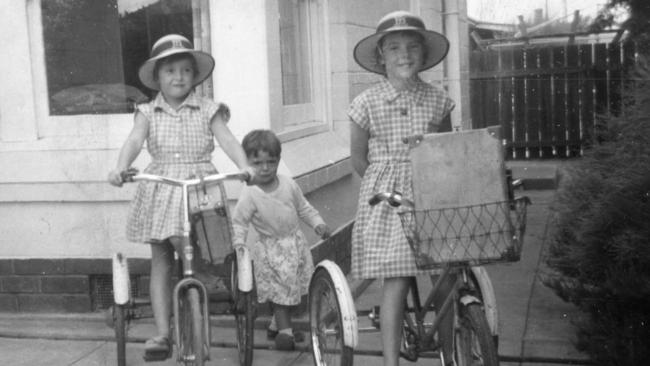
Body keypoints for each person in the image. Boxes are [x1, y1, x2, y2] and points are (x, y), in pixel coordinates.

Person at [107, 34, 254, 361]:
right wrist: (121, 167)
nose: (178, 77)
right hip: (161, 187)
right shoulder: (147, 111)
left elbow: (228, 140)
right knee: (161, 258)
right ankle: (162, 333)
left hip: (199, 186)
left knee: (198, 248)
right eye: (170, 70)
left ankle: (201, 277)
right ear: (157, 77)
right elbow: (133, 142)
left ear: (195, 76)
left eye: (186, 70)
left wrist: (245, 166)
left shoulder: (208, 109)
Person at [349, 10, 457, 366]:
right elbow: (359, 159)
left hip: (428, 189)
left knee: (445, 272)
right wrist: (384, 190)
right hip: (386, 196)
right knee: (396, 275)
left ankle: (449, 352)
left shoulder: (438, 100)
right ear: (381, 56)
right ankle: (390, 361)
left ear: (424, 54)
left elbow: (443, 150)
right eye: (394, 48)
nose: (404, 55)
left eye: (412, 47)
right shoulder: (367, 103)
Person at [231, 129, 331, 351]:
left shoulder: (287, 184)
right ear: (247, 163)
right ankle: (285, 333)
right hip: (270, 249)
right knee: (280, 290)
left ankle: (277, 324)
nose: (265, 168)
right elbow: (240, 221)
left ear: (278, 160)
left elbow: (303, 207)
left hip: (294, 244)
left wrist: (318, 223)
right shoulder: (250, 193)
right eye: (257, 163)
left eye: (271, 162)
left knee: (292, 290)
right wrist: (239, 244)